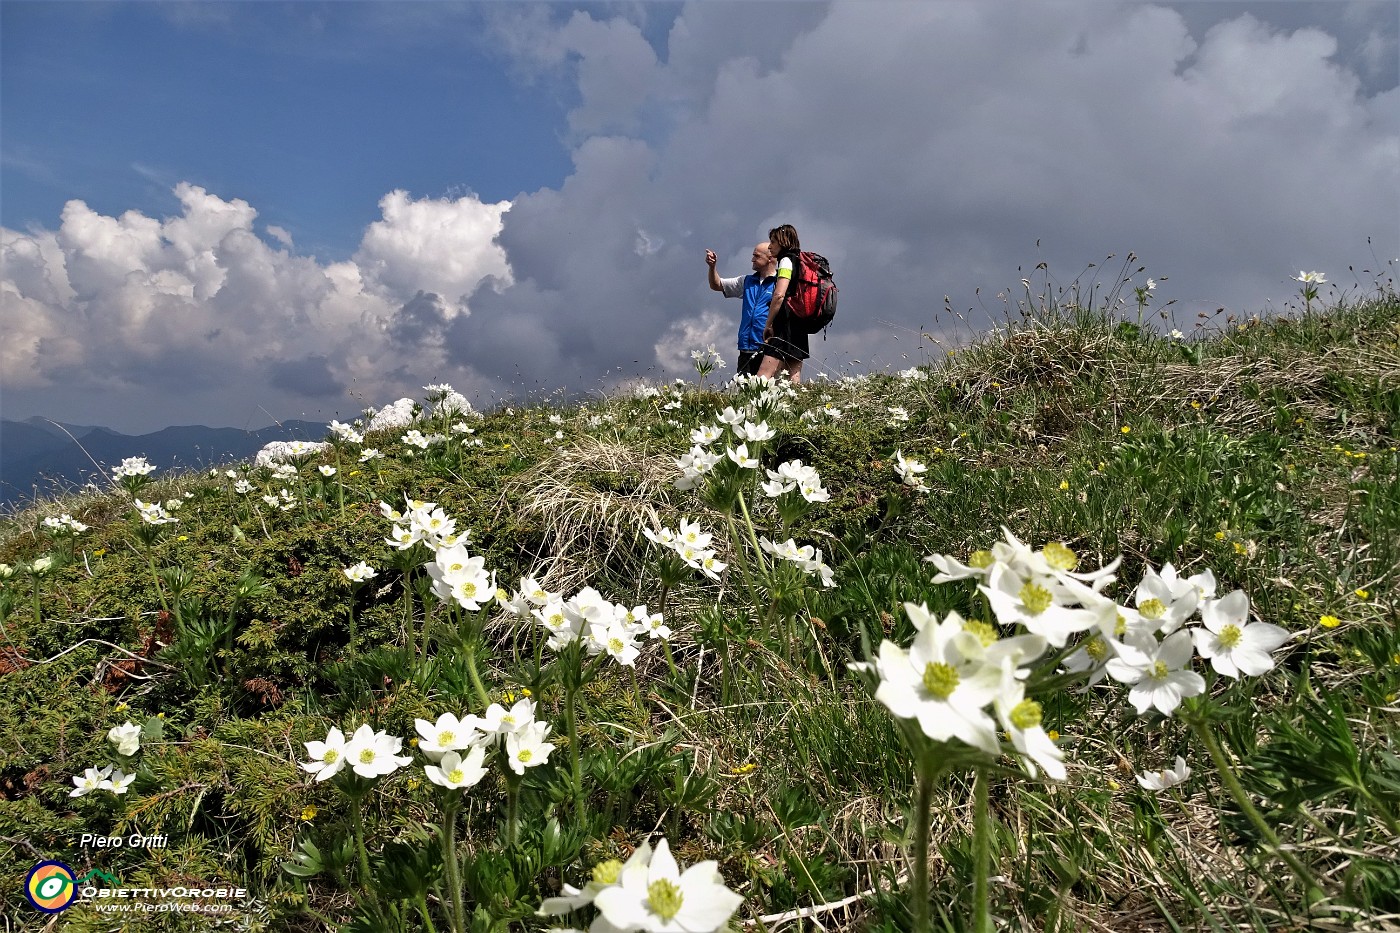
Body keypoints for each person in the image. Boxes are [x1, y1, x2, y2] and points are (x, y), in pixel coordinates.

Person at [706, 242, 776, 376]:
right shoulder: (746, 281)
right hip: (746, 348)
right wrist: (712, 267)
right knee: (744, 392)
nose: (752, 259)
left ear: (770, 258)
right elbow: (717, 285)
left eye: (756, 256)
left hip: (768, 349)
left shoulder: (780, 284)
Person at [757, 224, 807, 383]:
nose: (770, 246)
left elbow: (779, 295)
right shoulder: (801, 261)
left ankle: (752, 406)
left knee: (763, 375)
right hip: (799, 323)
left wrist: (768, 324)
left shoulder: (786, 261)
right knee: (793, 377)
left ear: (783, 242)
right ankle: (797, 406)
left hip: (785, 322)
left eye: (773, 241)